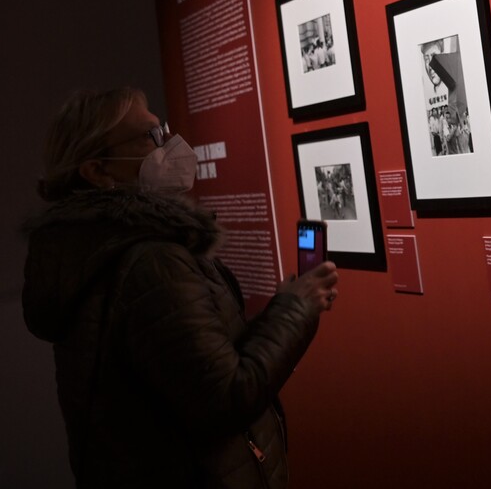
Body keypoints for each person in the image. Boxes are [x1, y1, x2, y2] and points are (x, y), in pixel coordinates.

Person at [22, 88, 339, 488]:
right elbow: (225, 398)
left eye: (165, 131)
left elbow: (202, 367)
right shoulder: (148, 261)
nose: (171, 146)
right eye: (152, 137)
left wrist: (285, 306)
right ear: (98, 170)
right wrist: (297, 309)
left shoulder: (94, 250)